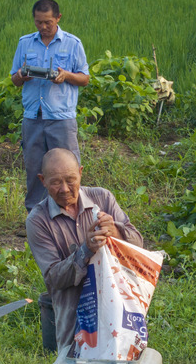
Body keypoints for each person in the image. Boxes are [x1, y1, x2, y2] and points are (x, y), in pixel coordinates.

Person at [26, 148, 143, 352]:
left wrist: (115, 230)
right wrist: (85, 250)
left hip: (119, 316)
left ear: (80, 172)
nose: (64, 189)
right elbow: (54, 278)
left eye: (71, 179)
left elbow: (139, 245)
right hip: (74, 327)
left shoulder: (102, 198)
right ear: (42, 180)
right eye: (55, 182)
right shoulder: (38, 220)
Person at [11, 0, 90, 211]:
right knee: (35, 169)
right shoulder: (25, 42)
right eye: (38, 22)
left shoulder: (73, 43)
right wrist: (21, 75)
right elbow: (14, 79)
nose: (43, 27)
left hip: (61, 118)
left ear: (58, 18)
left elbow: (84, 78)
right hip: (33, 116)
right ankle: (35, 220)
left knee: (67, 169)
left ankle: (73, 215)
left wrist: (66, 76)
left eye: (48, 22)